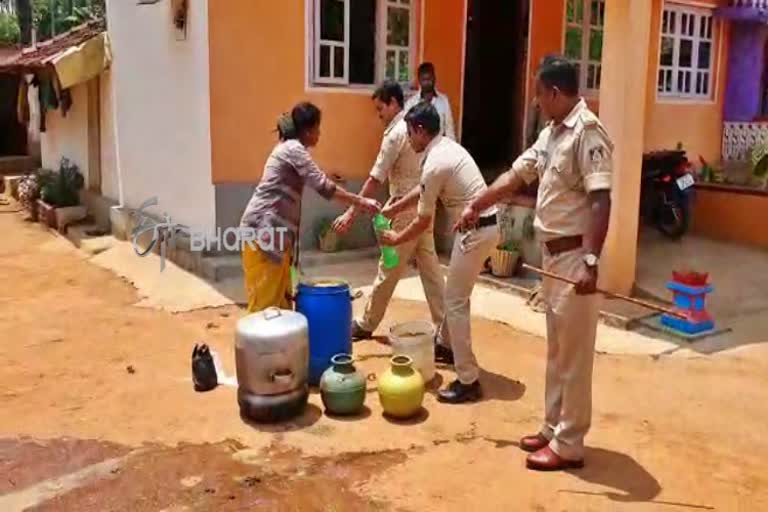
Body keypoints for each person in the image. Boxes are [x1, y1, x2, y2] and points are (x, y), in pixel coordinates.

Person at [455, 56, 613, 471]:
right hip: (553, 257)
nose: (537, 102)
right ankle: (552, 427)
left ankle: (570, 444)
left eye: (540, 94)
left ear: (555, 93)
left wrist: (591, 262)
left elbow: (601, 200)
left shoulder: (588, 134)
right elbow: (516, 175)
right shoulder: (551, 134)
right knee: (558, 352)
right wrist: (477, 204)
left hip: (577, 256)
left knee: (574, 356)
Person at [379, 102, 497, 404]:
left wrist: (395, 239)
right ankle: (445, 344)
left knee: (455, 302)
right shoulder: (445, 148)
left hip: (475, 232)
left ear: (420, 130)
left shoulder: (433, 161)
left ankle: (468, 380)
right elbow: (424, 189)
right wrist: (395, 206)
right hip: (482, 228)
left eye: (409, 132)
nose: (407, 138)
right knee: (456, 297)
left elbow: (423, 221)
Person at [239, 102, 381, 313]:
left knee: (280, 308)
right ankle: (257, 347)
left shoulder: (291, 150)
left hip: (273, 241)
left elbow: (316, 179)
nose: (319, 133)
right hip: (263, 237)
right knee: (265, 312)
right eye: (318, 128)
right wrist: (362, 201)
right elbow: (324, 188)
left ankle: (279, 347)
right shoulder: (293, 149)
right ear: (307, 130)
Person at [332, 80, 445, 339]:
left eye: (381, 108)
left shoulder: (397, 134)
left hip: (403, 212)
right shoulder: (420, 127)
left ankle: (367, 322)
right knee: (431, 271)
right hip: (425, 208)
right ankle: (446, 327)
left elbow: (375, 178)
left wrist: (350, 212)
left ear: (394, 103)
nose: (379, 115)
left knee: (389, 267)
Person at [404, 62, 456, 141]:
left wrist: (451, 150)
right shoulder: (411, 103)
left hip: (438, 149)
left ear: (434, 78)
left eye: (429, 79)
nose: (427, 82)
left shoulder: (444, 101)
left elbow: (449, 131)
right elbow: (406, 131)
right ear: (419, 80)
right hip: (417, 150)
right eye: (424, 79)